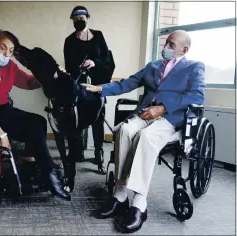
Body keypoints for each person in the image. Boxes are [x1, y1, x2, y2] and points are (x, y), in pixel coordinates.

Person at [82, 30, 205, 233]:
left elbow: (197, 96)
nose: (165, 47)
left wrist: (163, 108)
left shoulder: (194, 67)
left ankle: (139, 202)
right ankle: (120, 194)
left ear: (184, 49)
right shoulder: (153, 66)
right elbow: (127, 83)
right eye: (166, 43)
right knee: (123, 130)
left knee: (146, 137)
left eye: (171, 45)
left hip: (170, 117)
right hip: (145, 114)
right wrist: (99, 88)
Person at [0, 29, 71, 201]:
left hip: (4, 109)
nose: (6, 54)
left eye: (11, 51)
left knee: (39, 121)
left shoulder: (9, 66)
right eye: (2, 48)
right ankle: (49, 173)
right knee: (34, 125)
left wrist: (49, 75)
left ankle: (30, 168)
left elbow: (28, 82)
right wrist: (2, 135)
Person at [63, 5, 111, 175]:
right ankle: (77, 151)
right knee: (77, 118)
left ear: (87, 18)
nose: (79, 21)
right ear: (72, 20)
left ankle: (99, 154)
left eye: (81, 18)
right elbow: (68, 65)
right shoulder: (69, 40)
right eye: (75, 19)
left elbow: (106, 57)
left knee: (98, 118)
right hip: (80, 85)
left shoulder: (98, 35)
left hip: (98, 84)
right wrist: (79, 67)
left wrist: (94, 62)